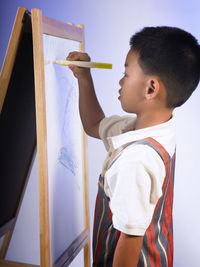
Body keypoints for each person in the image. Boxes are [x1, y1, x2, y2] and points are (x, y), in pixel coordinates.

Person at [67, 26, 200, 267]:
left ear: (150, 88)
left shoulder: (136, 160)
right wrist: (84, 78)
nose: (120, 81)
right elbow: (94, 125)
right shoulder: (155, 129)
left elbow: (129, 242)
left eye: (126, 73)